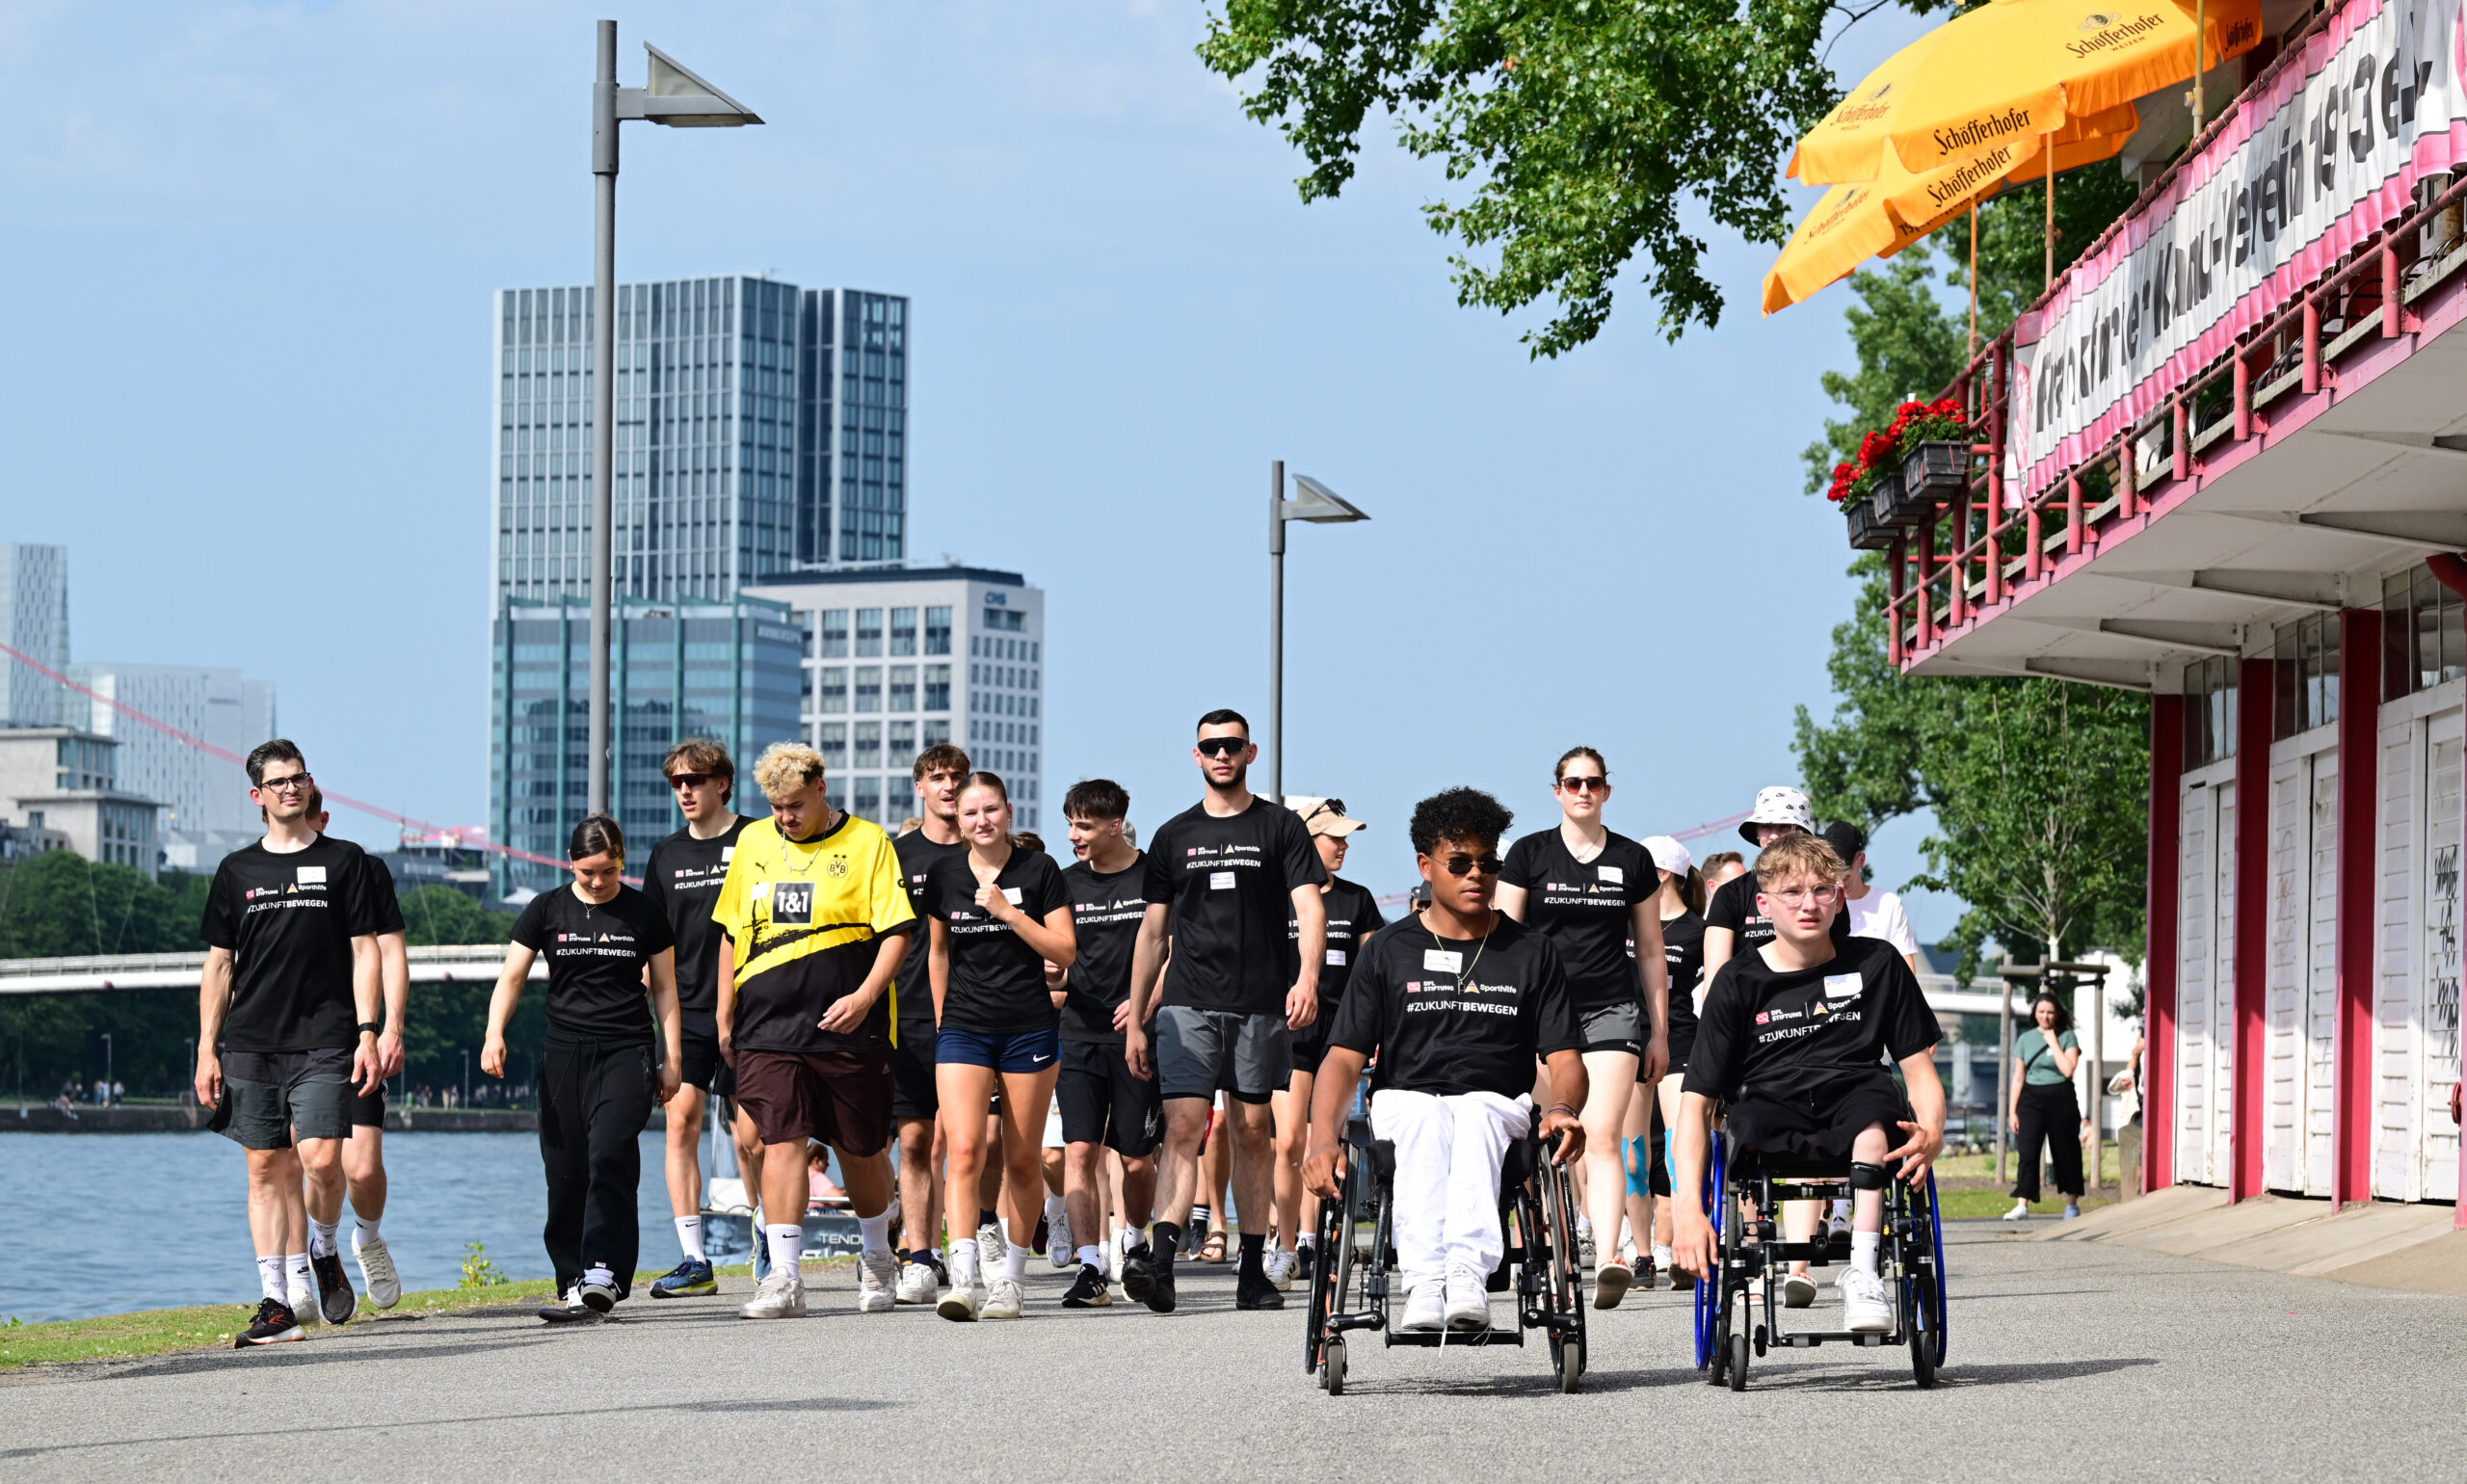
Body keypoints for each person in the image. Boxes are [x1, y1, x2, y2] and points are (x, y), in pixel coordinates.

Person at [1304, 786, 1586, 1333]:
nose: (1476, 874)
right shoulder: (1387, 950)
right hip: (1405, 1105)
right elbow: (1342, 1059)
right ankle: (1425, 1281)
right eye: (1460, 863)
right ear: (1426, 866)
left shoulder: (1532, 952)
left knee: (1477, 1110)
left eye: (1488, 862)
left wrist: (1565, 1106)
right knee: (1427, 1115)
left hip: (1498, 1106)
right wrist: (1321, 1140)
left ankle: (1466, 1276)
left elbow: (1565, 1057)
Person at [1671, 832, 1947, 1334]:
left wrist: (1932, 1131)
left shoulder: (1877, 964)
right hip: (1768, 1097)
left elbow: (1919, 1071)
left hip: (1855, 1089)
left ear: (1839, 897)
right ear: (1763, 903)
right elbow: (1694, 1104)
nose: (1808, 904)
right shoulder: (1735, 982)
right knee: (1747, 1118)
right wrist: (1688, 1207)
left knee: (1873, 1122)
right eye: (1792, 892)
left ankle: (1862, 1272)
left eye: (1822, 890)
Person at [1125, 709, 1328, 1313]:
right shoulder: (1172, 836)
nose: (1221, 755)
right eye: (1211, 746)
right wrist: (1137, 1017)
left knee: (1251, 1132)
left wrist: (1308, 976)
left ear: (1250, 752)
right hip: (1188, 1001)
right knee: (1184, 1126)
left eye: (1232, 746)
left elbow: (1309, 907)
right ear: (1195, 755)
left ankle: (1252, 1270)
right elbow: (1152, 933)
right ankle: (1161, 1262)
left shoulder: (1280, 826)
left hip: (1260, 1003)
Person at [712, 742, 915, 1319]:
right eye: (776, 807)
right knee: (781, 1142)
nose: (785, 817)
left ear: (821, 790)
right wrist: (724, 1010)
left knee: (861, 1147)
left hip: (849, 1026)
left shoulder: (868, 842)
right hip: (768, 1026)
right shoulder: (752, 843)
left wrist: (866, 995)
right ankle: (784, 1275)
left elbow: (898, 931)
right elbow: (730, 932)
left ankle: (878, 1254)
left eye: (796, 805)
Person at [199, 742, 388, 1345]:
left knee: (322, 1161)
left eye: (299, 778)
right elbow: (220, 965)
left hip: (327, 1039)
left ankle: (325, 1246)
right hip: (252, 1040)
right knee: (262, 1168)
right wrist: (207, 1047)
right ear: (257, 795)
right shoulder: (236, 871)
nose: (291, 788)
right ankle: (276, 1302)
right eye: (278, 782)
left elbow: (366, 950)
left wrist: (368, 1029)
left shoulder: (346, 862)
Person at [483, 813, 683, 1322]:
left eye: (609, 871)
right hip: (563, 1054)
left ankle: (604, 1271)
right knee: (565, 1169)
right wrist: (494, 1034)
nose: (597, 882)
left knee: (611, 1154)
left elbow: (664, 990)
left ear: (622, 865)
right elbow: (512, 978)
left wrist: (671, 1057)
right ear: (570, 862)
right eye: (588, 871)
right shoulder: (546, 909)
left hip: (626, 1049)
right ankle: (571, 1279)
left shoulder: (643, 913)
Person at [1495, 747, 1667, 1309]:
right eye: (1572, 783)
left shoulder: (1633, 859)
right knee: (1554, 1134)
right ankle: (1557, 1245)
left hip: (1612, 1008)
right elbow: (1503, 939)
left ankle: (1611, 1254)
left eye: (1593, 783)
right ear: (1557, 791)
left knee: (1605, 1133)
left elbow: (1649, 950)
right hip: (1544, 1013)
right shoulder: (1529, 854)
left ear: (1607, 792)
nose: (1583, 792)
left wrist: (1658, 1031)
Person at [926, 772, 1077, 1320]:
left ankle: (1010, 1279)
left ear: (1008, 813)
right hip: (964, 1029)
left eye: (990, 810)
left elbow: (1066, 951)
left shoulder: (1040, 871)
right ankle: (963, 1278)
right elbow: (937, 954)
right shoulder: (943, 875)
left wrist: (1009, 912)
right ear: (958, 821)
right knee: (964, 1150)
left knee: (1020, 1157)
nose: (981, 821)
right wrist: (945, 1019)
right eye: (970, 813)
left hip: (1028, 1028)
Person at [1699, 785, 1852, 1307]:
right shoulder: (1733, 894)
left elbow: (1838, 964)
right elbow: (1719, 972)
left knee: (1822, 1130)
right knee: (1746, 1138)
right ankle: (1754, 1245)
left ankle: (1800, 1262)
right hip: (1747, 1028)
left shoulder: (1823, 894)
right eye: (1766, 828)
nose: (1773, 836)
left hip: (1815, 1027)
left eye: (1785, 828)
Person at [642, 740, 753, 1300]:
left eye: (696, 780)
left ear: (723, 783)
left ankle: (766, 1240)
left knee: (753, 1138)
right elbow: (651, 941)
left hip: (753, 1008)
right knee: (680, 1122)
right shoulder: (665, 855)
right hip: (684, 1012)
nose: (685, 791)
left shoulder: (757, 838)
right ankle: (694, 1259)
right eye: (677, 783)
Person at [1051, 778, 1164, 1308]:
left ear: (1115, 824)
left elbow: (1174, 949)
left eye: (1084, 825)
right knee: (1079, 1150)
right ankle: (1091, 1266)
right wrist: (1051, 969)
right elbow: (1054, 957)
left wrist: (1146, 1004)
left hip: (1139, 1037)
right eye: (1070, 823)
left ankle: (1134, 1241)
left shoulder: (1154, 877)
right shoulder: (1065, 883)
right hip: (1079, 1033)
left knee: (1137, 1160)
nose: (1074, 835)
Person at [1273, 796, 1384, 1289]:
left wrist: (1378, 1030)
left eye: (1346, 838)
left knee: (1329, 1141)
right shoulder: (1275, 895)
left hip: (1340, 1036)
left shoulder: (1357, 899)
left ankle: (1312, 1242)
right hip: (1288, 1032)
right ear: (1304, 838)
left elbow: (1373, 974)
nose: (1342, 846)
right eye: (1332, 837)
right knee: (1290, 1141)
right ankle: (1284, 1243)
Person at [306, 791, 409, 1316]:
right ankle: (302, 1269)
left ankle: (367, 1238)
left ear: (324, 819)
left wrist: (391, 1027)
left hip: (356, 1036)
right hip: (290, 1039)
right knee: (307, 1165)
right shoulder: (262, 870)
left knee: (362, 1170)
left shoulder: (364, 869)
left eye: (309, 819)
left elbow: (390, 949)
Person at [887, 744, 973, 1302]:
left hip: (981, 1013)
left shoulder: (989, 852)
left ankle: (979, 1234)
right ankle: (919, 1255)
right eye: (937, 778)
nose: (948, 786)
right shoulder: (894, 855)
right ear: (919, 786)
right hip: (909, 1013)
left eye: (957, 778)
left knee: (974, 1142)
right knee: (917, 1140)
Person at [1624, 834, 1705, 1287]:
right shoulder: (1623, 925)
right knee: (1633, 1156)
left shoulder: (1698, 930)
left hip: (1681, 1042)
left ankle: (1676, 1247)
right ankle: (1641, 1254)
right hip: (1630, 1041)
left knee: (1678, 1149)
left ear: (1663, 873)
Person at [2005, 992, 2084, 1221]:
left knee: (2066, 1151)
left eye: (2050, 1012)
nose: (2045, 1016)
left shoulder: (2068, 1037)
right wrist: (2012, 1111)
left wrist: (2053, 1043)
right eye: (2041, 1012)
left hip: (2061, 1097)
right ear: (2035, 1014)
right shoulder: (2025, 1039)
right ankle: (2023, 1204)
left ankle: (2072, 1204)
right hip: (2031, 1098)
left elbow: (2068, 1069)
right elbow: (2018, 1077)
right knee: (2027, 1151)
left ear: (2057, 1013)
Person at [1823, 821, 1921, 974]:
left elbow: (1906, 966)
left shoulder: (1889, 905)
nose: (1839, 873)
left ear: (1861, 860)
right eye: (1831, 866)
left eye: (1844, 866)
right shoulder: (1819, 904)